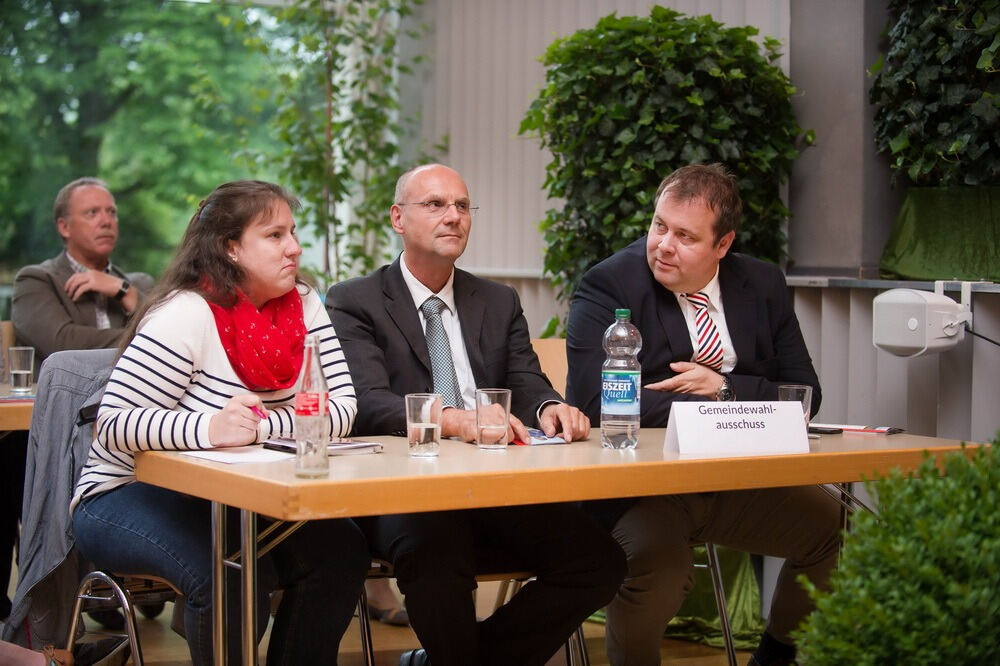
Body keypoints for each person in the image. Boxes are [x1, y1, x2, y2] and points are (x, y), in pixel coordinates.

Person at [327, 163, 626, 666]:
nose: (453, 217)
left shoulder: (497, 300)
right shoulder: (355, 300)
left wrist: (551, 407)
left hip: (494, 487)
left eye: (463, 206)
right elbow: (367, 403)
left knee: (598, 561)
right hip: (405, 494)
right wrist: (455, 420)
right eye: (436, 205)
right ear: (398, 218)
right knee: (436, 551)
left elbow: (526, 381)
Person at [69, 180, 370, 666]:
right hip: (123, 493)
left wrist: (260, 426)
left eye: (292, 232)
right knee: (230, 572)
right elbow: (115, 424)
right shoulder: (184, 313)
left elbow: (342, 411)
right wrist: (209, 428)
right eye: (274, 236)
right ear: (231, 249)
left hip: (236, 498)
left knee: (341, 552)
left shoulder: (306, 305)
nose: (294, 247)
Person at [566, 163, 841, 666]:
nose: (663, 245)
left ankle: (775, 658)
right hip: (648, 490)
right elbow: (593, 403)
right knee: (658, 565)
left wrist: (726, 388)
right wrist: (715, 407)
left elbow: (804, 395)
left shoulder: (761, 284)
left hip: (739, 482)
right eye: (658, 226)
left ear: (723, 244)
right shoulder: (610, 285)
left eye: (685, 236)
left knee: (831, 527)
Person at [5, 177, 154, 627]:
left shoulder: (139, 283)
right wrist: (137, 334)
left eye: (110, 211)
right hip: (57, 425)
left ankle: (129, 578)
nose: (106, 219)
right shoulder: (36, 280)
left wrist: (121, 291)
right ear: (63, 226)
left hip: (129, 427)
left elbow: (176, 335)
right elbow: (61, 344)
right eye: (92, 213)